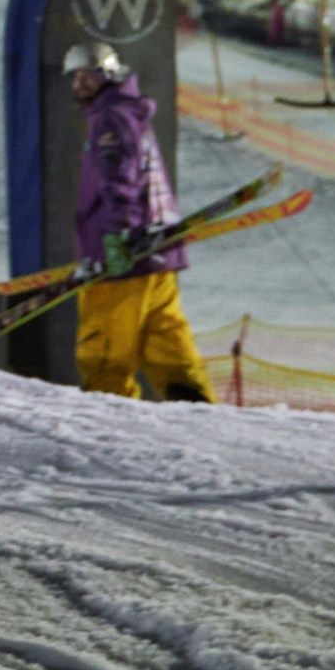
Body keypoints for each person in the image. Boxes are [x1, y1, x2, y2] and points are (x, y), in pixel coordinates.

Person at [66, 42, 212, 402]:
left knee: (104, 350)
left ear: (109, 73)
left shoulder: (110, 118)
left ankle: (110, 424)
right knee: (165, 341)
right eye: (74, 77)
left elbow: (121, 179)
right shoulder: (129, 112)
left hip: (123, 257)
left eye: (88, 75)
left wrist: (121, 236)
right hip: (157, 252)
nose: (79, 85)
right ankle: (196, 409)